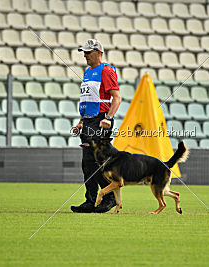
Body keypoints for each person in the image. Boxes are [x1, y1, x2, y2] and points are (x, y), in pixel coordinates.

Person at [71, 39, 121, 213]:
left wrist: (108, 117)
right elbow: (88, 100)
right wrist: (82, 121)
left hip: (101, 120)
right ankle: (91, 200)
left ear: (99, 53)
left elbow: (116, 98)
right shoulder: (87, 72)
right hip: (89, 120)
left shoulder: (106, 70)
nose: (85, 55)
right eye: (84, 52)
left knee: (95, 161)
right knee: (87, 163)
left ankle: (108, 197)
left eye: (88, 52)